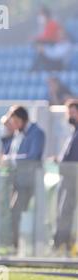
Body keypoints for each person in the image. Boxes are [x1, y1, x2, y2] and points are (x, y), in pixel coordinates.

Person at [5, 105, 45, 252]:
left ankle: (20, 247)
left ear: (21, 119)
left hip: (29, 182)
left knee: (18, 212)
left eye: (14, 121)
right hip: (17, 182)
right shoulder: (18, 133)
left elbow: (33, 157)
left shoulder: (37, 133)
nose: (13, 125)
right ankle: (17, 245)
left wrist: (10, 160)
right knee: (14, 212)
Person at [53, 99, 78, 255]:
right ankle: (63, 245)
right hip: (68, 177)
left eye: (72, 111)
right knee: (63, 211)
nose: (69, 115)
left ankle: (64, 245)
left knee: (66, 212)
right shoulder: (74, 131)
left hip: (73, 178)